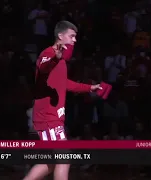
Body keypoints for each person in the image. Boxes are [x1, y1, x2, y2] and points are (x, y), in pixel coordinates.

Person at [24, 21, 100, 180]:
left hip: (53, 117)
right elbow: (43, 70)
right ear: (60, 35)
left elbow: (64, 83)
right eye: (72, 36)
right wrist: (54, 59)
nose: (74, 40)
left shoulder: (62, 61)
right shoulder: (48, 53)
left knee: (51, 162)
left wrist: (89, 88)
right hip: (47, 117)